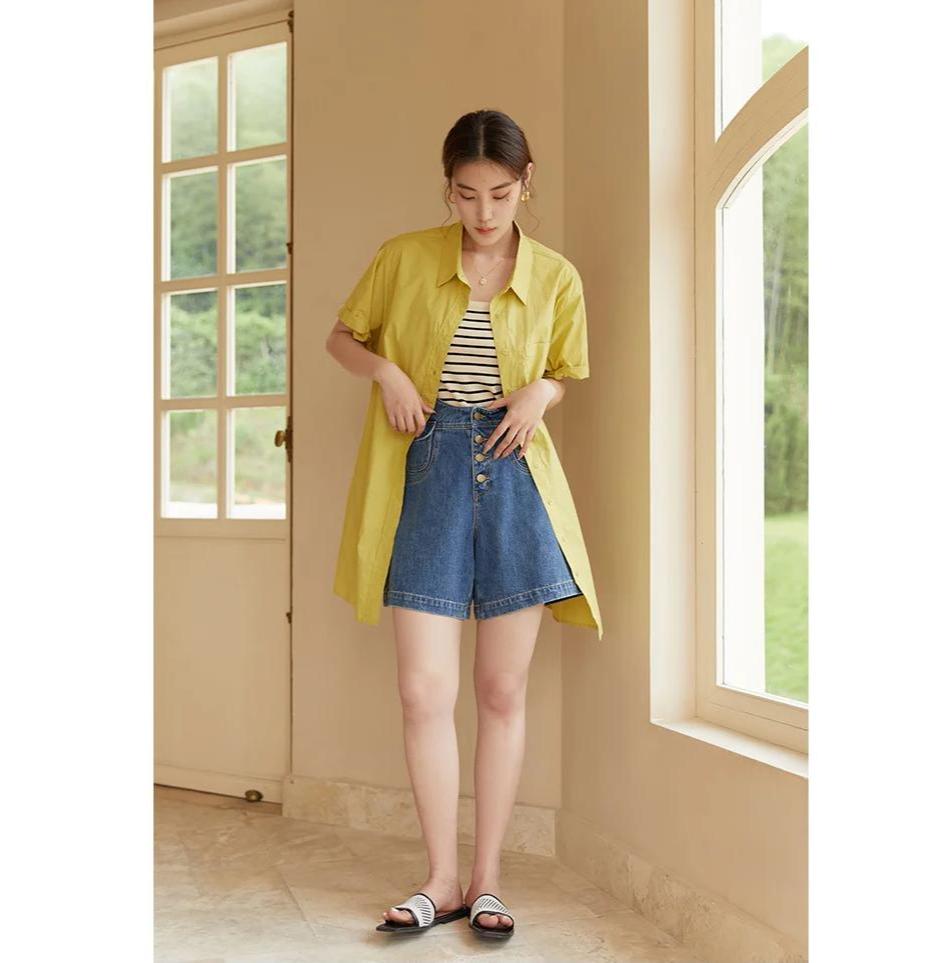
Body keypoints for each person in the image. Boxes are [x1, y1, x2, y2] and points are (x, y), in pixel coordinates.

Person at [326, 109, 603, 942]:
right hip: (429, 470)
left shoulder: (556, 276)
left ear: (526, 184)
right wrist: (385, 373)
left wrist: (540, 392)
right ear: (446, 187)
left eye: (500, 194)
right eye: (465, 193)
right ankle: (439, 879)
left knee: (501, 690)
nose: (483, 212)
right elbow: (341, 337)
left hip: (515, 475)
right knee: (423, 690)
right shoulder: (403, 257)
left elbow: (563, 370)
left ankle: (487, 882)